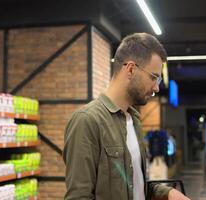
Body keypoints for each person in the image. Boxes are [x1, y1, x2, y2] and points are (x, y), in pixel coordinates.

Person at [63, 33, 190, 200]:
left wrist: (167, 193)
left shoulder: (134, 121)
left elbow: (135, 185)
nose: (156, 88)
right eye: (153, 78)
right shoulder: (87, 121)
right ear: (130, 69)